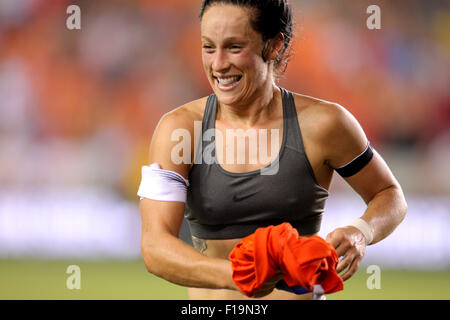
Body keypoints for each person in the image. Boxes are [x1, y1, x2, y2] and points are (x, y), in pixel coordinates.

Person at [138, 0, 407, 300]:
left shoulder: (326, 124)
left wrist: (361, 232)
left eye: (234, 47)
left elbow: (389, 195)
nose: (218, 64)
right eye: (209, 47)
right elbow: (155, 247)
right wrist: (239, 276)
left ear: (274, 46)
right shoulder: (179, 130)